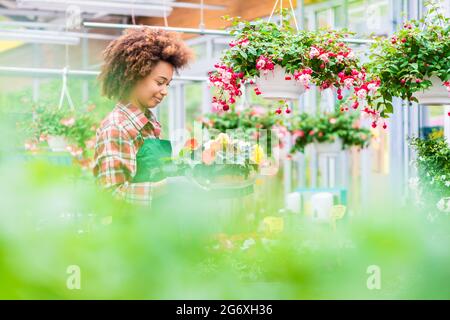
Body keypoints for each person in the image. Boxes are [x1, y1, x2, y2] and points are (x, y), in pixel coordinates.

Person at [93, 28, 193, 206]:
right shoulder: (117, 127)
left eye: (168, 84)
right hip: (129, 231)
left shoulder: (148, 124)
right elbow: (111, 195)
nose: (165, 92)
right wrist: (168, 185)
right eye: (160, 82)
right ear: (135, 75)